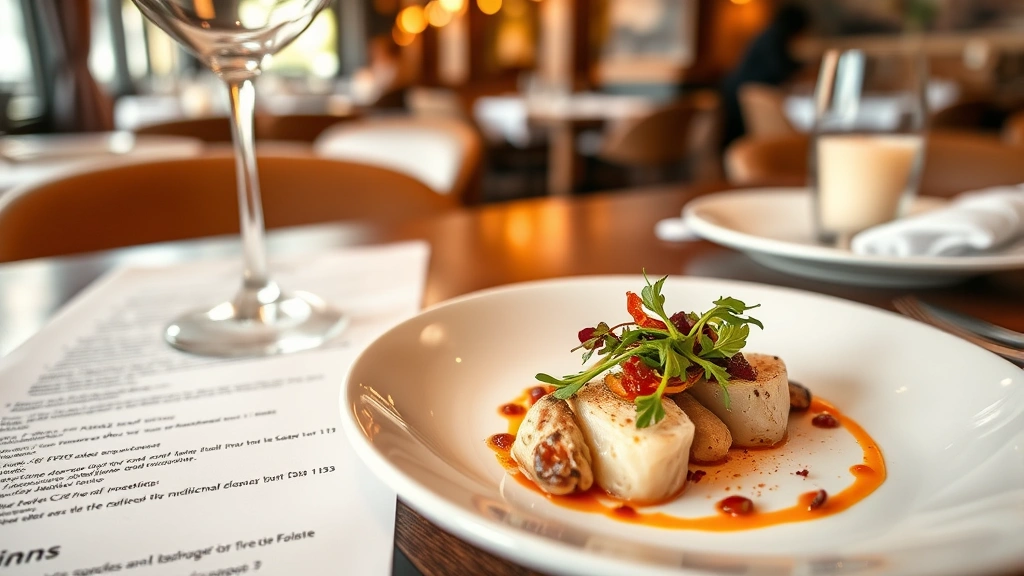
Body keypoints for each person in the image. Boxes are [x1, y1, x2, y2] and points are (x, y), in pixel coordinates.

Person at [720, 3, 810, 149]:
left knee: (737, 140)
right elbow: (779, 68)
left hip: (738, 88)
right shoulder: (775, 37)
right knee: (735, 141)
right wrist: (803, 67)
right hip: (739, 90)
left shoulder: (771, 34)